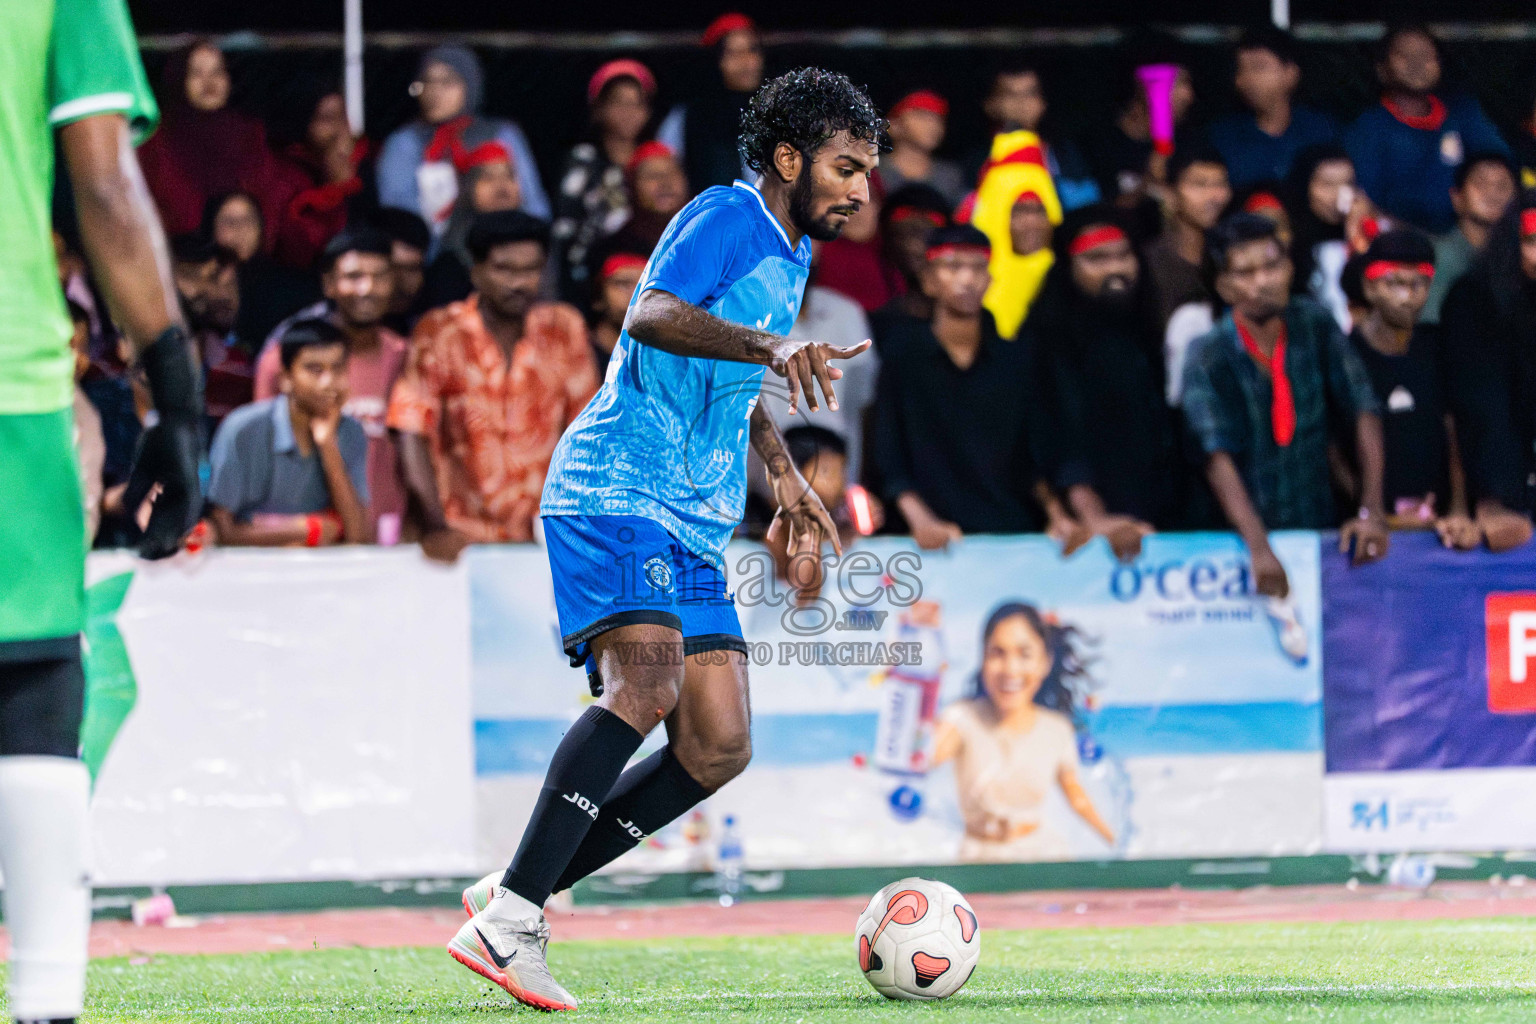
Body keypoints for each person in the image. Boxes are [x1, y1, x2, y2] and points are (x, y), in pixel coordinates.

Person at [447, 68, 882, 1011]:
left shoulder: (793, 251)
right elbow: (649, 315)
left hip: (692, 511)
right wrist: (773, 351)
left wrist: (789, 475)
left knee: (719, 744)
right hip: (616, 489)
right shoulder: (726, 214)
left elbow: (724, 384)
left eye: (868, 172)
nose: (860, 189)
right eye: (847, 167)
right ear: (788, 157)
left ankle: (517, 889)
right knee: (646, 685)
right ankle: (513, 918)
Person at [1, 2, 203, 1020]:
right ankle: (45, 1008)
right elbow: (104, 181)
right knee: (31, 690)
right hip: (9, 377)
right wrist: (175, 391)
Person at [1181, 213, 1389, 602]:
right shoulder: (1207, 353)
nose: (1263, 281)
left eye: (1272, 265)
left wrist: (1371, 510)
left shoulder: (1314, 323)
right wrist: (1259, 548)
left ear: (1290, 267)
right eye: (1245, 273)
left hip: (1321, 529)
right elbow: (1215, 457)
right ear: (1225, 287)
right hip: (1235, 545)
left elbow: (1363, 407)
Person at [388, 211, 598, 557]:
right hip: (460, 540)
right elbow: (411, 430)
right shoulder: (439, 332)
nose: (519, 282)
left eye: (531, 269)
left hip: (544, 540)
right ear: (476, 272)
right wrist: (436, 526)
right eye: (504, 269)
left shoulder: (565, 329)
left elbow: (587, 435)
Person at [870, 226, 1070, 549]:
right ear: (929, 280)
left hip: (1011, 533)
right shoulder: (902, 356)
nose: (967, 279)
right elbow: (888, 451)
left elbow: (1036, 450)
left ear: (990, 278)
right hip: (927, 538)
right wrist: (921, 520)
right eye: (953, 267)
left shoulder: (1017, 358)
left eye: (978, 268)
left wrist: (1056, 513)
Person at [1025, 207, 1179, 555]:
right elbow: (1058, 436)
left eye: (1124, 256)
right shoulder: (1048, 339)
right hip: (1088, 529)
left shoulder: (1147, 326)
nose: (1116, 269)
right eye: (1096, 259)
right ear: (1069, 268)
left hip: (1161, 523)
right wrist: (1094, 516)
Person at [253, 229, 410, 537]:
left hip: (386, 536)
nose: (367, 288)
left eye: (380, 276)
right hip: (304, 536)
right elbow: (264, 451)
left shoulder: (405, 358)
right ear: (329, 284)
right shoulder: (283, 361)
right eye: (353, 276)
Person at [931, 603, 1115, 863]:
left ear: (1045, 663)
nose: (1010, 669)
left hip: (1043, 859)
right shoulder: (962, 718)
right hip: (975, 861)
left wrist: (1119, 847)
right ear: (982, 660)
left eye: (1025, 654)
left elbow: (1079, 801)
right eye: (997, 653)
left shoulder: (1057, 729)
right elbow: (924, 758)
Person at [1346, 230, 1478, 547]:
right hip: (1369, 526)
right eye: (1394, 283)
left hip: (1440, 522)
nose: (1407, 296)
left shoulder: (1438, 345)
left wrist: (1458, 509)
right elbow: (1332, 451)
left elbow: (1454, 427)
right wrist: (1375, 513)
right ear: (1369, 287)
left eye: (1419, 284)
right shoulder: (1346, 353)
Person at [207, 319, 370, 546]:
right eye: (315, 370)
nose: (329, 382)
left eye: (338, 368)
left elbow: (358, 536)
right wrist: (305, 530)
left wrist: (328, 446)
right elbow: (220, 531)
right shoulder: (243, 429)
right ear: (285, 379)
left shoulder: (351, 431)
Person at [1439, 192, 1536, 552]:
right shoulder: (1475, 300)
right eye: (1532, 241)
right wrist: (1494, 498)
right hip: (1503, 483)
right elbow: (1481, 406)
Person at [1344, 24, 1508, 234]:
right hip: (1398, 245)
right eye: (1405, 56)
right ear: (1382, 70)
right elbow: (1363, 203)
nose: (1417, 63)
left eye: (1426, 55)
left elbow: (1499, 167)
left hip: (1469, 241)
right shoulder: (1368, 128)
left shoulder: (1463, 114)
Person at [376, 44, 548, 232]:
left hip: (496, 244)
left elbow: (533, 203)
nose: (435, 92)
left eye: (447, 82)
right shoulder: (405, 142)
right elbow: (398, 212)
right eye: (427, 82)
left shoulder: (500, 135)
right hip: (428, 253)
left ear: (470, 84)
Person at [136, 39, 283, 238]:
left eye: (217, 72)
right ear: (179, 79)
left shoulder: (250, 134)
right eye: (196, 73)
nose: (209, 82)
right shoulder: (155, 141)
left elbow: (267, 203)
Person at [552, 60, 657, 306]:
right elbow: (566, 231)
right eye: (618, 102)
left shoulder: (656, 160)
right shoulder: (584, 160)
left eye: (637, 103)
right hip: (591, 283)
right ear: (599, 109)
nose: (628, 111)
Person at [1205, 28, 1339, 190]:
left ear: (1291, 73)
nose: (1247, 79)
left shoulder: (1321, 131)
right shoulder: (1222, 137)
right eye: (1241, 69)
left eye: (1258, 67)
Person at [268, 79, 376, 271]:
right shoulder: (284, 173)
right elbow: (298, 251)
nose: (337, 128)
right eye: (326, 118)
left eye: (342, 117)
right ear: (305, 123)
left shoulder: (367, 160)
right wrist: (335, 187)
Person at [968, 130, 1063, 339]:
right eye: (1019, 211)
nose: (1031, 223)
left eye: (1039, 210)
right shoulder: (966, 287)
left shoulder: (1070, 282)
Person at [657, 12, 764, 190]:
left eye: (752, 50)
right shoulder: (687, 118)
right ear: (715, 60)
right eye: (733, 53)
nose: (747, 62)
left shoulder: (775, 113)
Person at [970, 65, 1100, 211]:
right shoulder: (977, 161)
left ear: (1043, 104)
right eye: (1010, 94)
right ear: (991, 105)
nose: (1021, 102)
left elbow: (1086, 210)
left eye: (1030, 93)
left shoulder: (1065, 154)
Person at [203, 191, 318, 350]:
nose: (240, 230)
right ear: (212, 226)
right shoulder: (198, 271)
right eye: (230, 222)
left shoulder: (283, 282)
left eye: (248, 221)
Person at [1284, 144, 1378, 330]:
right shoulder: (1288, 234)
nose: (1339, 195)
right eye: (1327, 185)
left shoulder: (1365, 232)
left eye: (1348, 184)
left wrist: (1357, 237)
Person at [422, 139, 524, 309]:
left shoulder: (536, 244)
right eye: (488, 178)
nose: (502, 187)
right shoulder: (453, 260)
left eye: (509, 176)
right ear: (469, 188)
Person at [1143, 146, 1231, 332]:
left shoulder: (1228, 254)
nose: (1214, 196)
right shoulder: (1149, 262)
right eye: (1199, 184)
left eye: (1221, 184)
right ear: (1170, 192)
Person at [1422, 152, 1517, 323]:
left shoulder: (1521, 257)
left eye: (1502, 186)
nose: (1492, 192)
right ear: (1457, 198)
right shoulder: (1437, 257)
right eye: (1481, 184)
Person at [170, 233, 248, 431]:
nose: (206, 289)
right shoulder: (122, 369)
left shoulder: (240, 369)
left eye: (212, 277)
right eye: (192, 275)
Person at [598, 140, 691, 268]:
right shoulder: (613, 251)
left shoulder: (710, 239)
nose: (665, 183)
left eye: (672, 173)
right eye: (652, 176)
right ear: (632, 186)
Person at [870, 183, 949, 326]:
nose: (913, 246)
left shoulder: (974, 319)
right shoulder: (876, 319)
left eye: (926, 235)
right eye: (902, 234)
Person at [879, 90, 966, 207]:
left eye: (938, 119)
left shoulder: (950, 177)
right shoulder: (874, 172)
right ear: (894, 124)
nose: (933, 125)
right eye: (922, 116)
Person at [374, 206, 432, 334]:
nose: (402, 283)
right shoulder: (331, 328)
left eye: (413, 269)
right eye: (393, 268)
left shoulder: (429, 329)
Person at [588, 252, 646, 377]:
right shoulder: (574, 353)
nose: (635, 295)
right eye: (623, 284)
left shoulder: (659, 361)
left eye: (644, 286)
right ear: (597, 296)